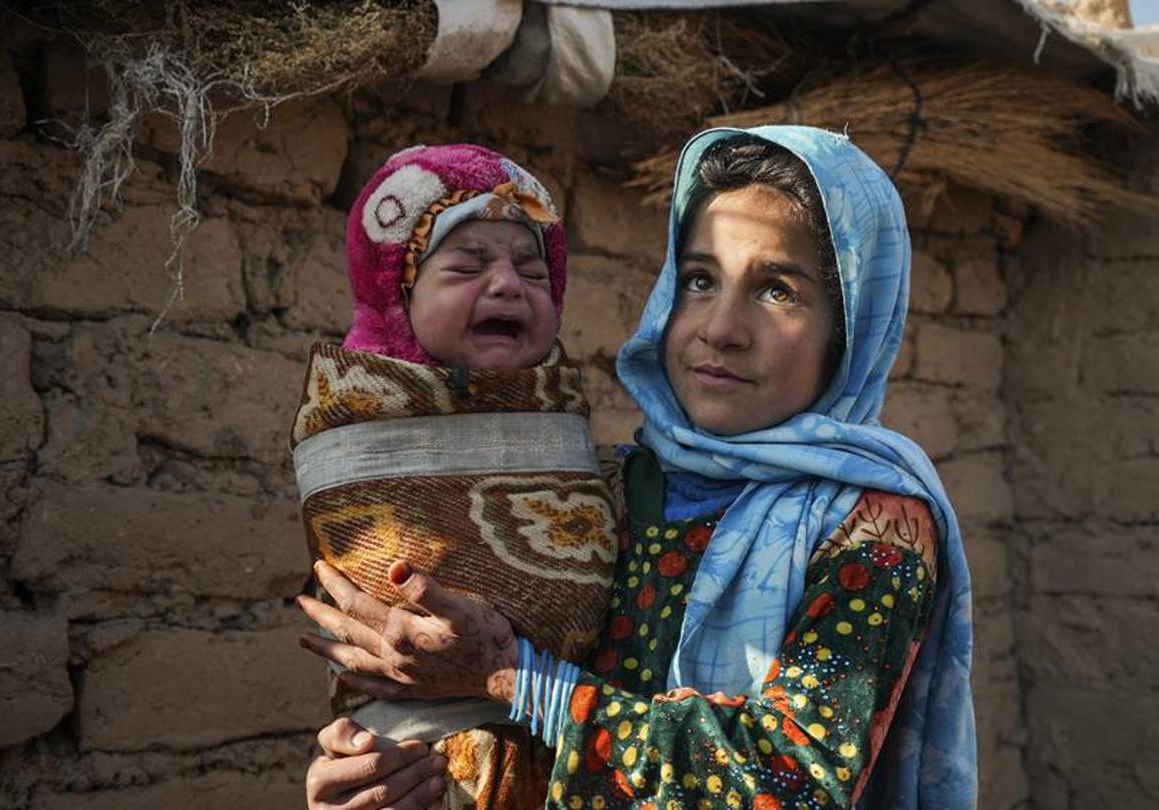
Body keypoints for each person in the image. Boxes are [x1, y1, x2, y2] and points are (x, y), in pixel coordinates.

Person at [298, 126, 976, 809]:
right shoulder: (593, 495)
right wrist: (380, 775)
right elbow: (462, 714)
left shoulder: (874, 528)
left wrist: (515, 678)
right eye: (700, 280)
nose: (720, 328)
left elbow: (793, 780)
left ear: (852, 327)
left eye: (777, 291)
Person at [292, 143, 617, 809]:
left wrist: (508, 670)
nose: (508, 285)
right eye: (467, 266)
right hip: (421, 771)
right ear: (396, 295)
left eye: (533, 270)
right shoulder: (358, 420)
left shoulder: (594, 454)